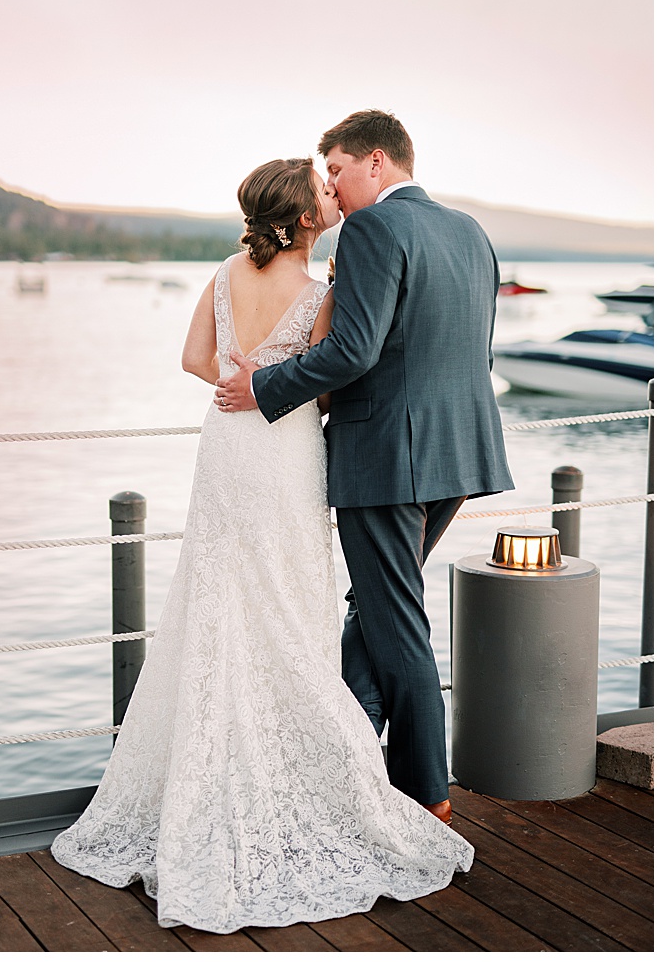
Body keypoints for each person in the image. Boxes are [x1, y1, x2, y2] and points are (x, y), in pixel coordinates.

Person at [49, 152, 474, 934]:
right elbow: (335, 375)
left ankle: (204, 779)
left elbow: (194, 362)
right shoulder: (320, 293)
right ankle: (310, 774)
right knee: (288, 603)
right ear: (309, 218)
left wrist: (242, 376)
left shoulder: (221, 273)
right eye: (322, 191)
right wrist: (282, 377)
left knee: (218, 604)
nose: (331, 194)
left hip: (227, 443)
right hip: (284, 451)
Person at [216, 110, 513, 823]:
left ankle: (424, 793)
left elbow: (354, 350)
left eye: (339, 171)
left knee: (396, 620)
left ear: (375, 163)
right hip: (460, 455)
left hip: (388, 458)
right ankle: (338, 756)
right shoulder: (469, 230)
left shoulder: (374, 230)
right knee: (375, 611)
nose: (334, 191)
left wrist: (263, 387)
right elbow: (477, 350)